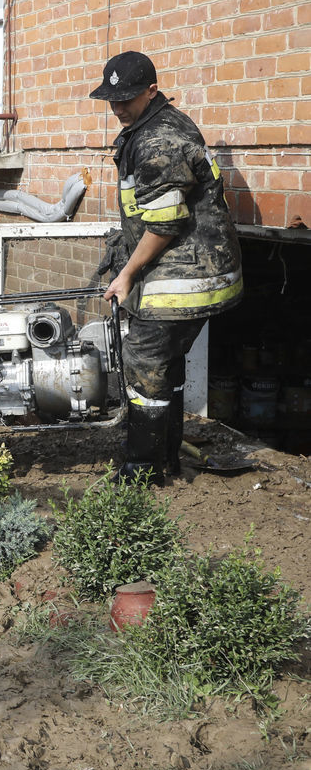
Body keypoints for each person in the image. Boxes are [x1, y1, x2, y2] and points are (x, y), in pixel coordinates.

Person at [91, 51, 242, 485]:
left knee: (144, 360)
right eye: (112, 99)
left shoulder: (158, 138)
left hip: (186, 273)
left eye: (127, 98)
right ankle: (166, 459)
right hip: (195, 267)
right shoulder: (154, 125)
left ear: (152, 91)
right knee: (165, 364)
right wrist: (124, 249)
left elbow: (166, 221)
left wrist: (128, 274)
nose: (118, 107)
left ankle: (142, 470)